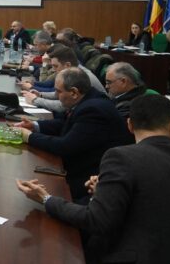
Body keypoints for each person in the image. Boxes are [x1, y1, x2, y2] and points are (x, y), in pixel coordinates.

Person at [16, 95, 170, 264]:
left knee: (42, 262)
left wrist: (46, 199)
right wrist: (105, 193)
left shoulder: (122, 157)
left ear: (130, 125)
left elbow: (96, 221)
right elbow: (162, 208)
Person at [16, 67, 134, 201]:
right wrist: (35, 125)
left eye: (58, 91)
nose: (56, 95)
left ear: (74, 92)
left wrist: (29, 137)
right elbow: (66, 123)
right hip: (81, 167)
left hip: (90, 181)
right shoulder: (89, 99)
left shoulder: (93, 110)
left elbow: (65, 146)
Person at [22, 45, 106, 113]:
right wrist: (40, 94)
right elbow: (58, 94)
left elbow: (63, 106)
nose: (53, 70)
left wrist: (35, 100)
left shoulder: (81, 76)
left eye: (56, 66)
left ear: (67, 65)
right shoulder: (73, 72)